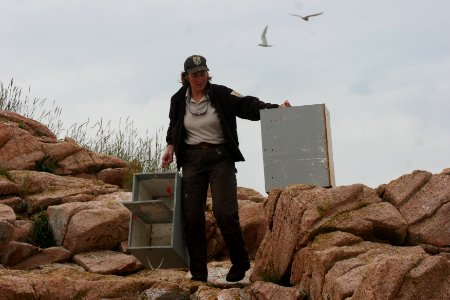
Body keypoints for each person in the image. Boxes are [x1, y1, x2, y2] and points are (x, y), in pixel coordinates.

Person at [161, 54, 291, 282]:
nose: (199, 78)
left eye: (203, 74)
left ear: (207, 74)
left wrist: (274, 109)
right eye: (195, 75)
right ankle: (198, 271)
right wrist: (170, 147)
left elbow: (247, 105)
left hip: (220, 158)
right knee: (191, 216)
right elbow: (174, 125)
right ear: (186, 77)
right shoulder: (178, 99)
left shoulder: (221, 93)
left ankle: (240, 264)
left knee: (225, 212)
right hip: (191, 160)